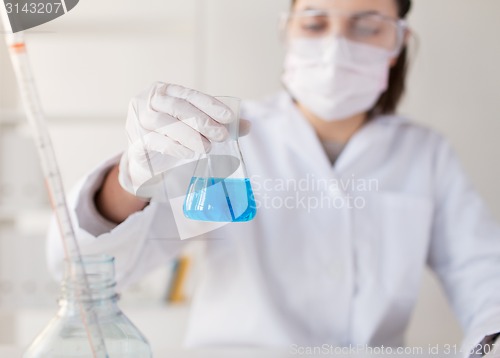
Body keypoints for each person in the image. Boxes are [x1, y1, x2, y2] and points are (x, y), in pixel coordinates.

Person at [47, 0, 500, 356]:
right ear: (288, 30)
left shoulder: (425, 153)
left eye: (366, 25)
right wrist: (126, 183)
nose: (337, 45)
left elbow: (483, 273)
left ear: (399, 40)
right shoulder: (226, 139)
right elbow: (86, 273)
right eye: (316, 23)